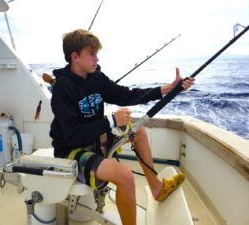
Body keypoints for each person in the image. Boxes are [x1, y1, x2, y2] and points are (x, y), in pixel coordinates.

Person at [50, 29, 195, 225]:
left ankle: (156, 188)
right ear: (75, 57)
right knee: (125, 175)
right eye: (91, 54)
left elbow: (126, 95)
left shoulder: (96, 78)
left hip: (94, 138)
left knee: (139, 131)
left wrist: (168, 88)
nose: (96, 59)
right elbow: (73, 136)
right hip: (71, 149)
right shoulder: (63, 88)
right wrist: (110, 121)